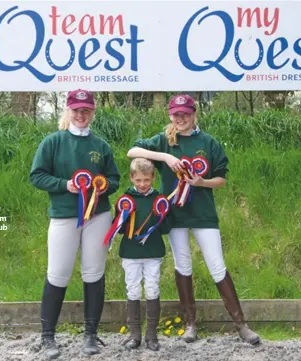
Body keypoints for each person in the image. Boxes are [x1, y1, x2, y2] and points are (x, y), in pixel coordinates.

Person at [126, 94, 261, 345]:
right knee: (183, 265)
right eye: (176, 114)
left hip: (203, 214)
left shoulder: (208, 142)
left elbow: (221, 179)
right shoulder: (163, 140)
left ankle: (241, 324)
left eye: (185, 114)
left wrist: (202, 182)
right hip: (175, 216)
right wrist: (165, 157)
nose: (181, 118)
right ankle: (190, 324)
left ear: (194, 114)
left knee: (217, 265)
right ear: (170, 115)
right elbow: (132, 151)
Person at [30, 89, 120, 359]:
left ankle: (91, 335)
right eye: (76, 110)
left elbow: (113, 178)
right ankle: (47, 337)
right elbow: (37, 176)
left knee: (93, 273)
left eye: (86, 110)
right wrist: (64, 185)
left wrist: (103, 189)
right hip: (63, 216)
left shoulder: (101, 146)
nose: (81, 115)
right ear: (68, 111)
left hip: (98, 216)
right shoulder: (52, 142)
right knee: (58, 273)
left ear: (93, 112)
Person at [114, 158, 170, 352]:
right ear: (131, 178)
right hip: (131, 253)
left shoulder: (159, 199)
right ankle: (135, 335)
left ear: (153, 177)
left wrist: (163, 215)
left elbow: (166, 227)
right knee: (133, 289)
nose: (142, 184)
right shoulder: (125, 200)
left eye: (146, 180)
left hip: (153, 252)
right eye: (138, 180)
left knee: (153, 289)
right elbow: (119, 229)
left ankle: (152, 336)